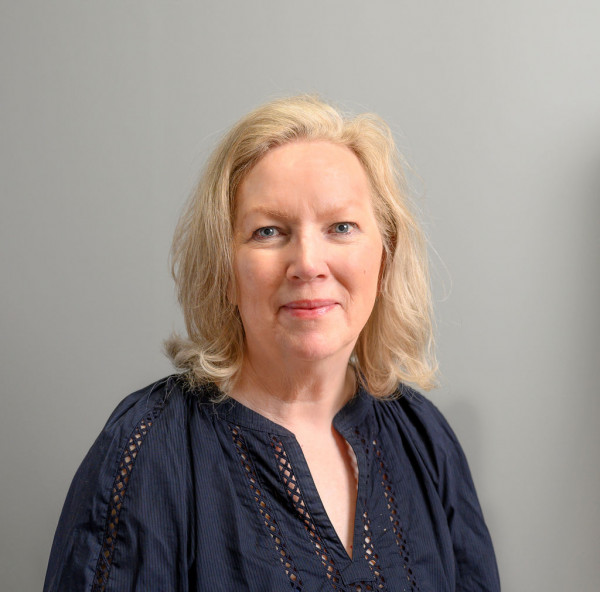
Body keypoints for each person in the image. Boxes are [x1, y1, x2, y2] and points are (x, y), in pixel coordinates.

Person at [44, 95, 500, 591]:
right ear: (224, 269)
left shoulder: (426, 438)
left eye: (341, 227)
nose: (308, 264)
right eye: (268, 232)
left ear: (385, 256)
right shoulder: (149, 448)